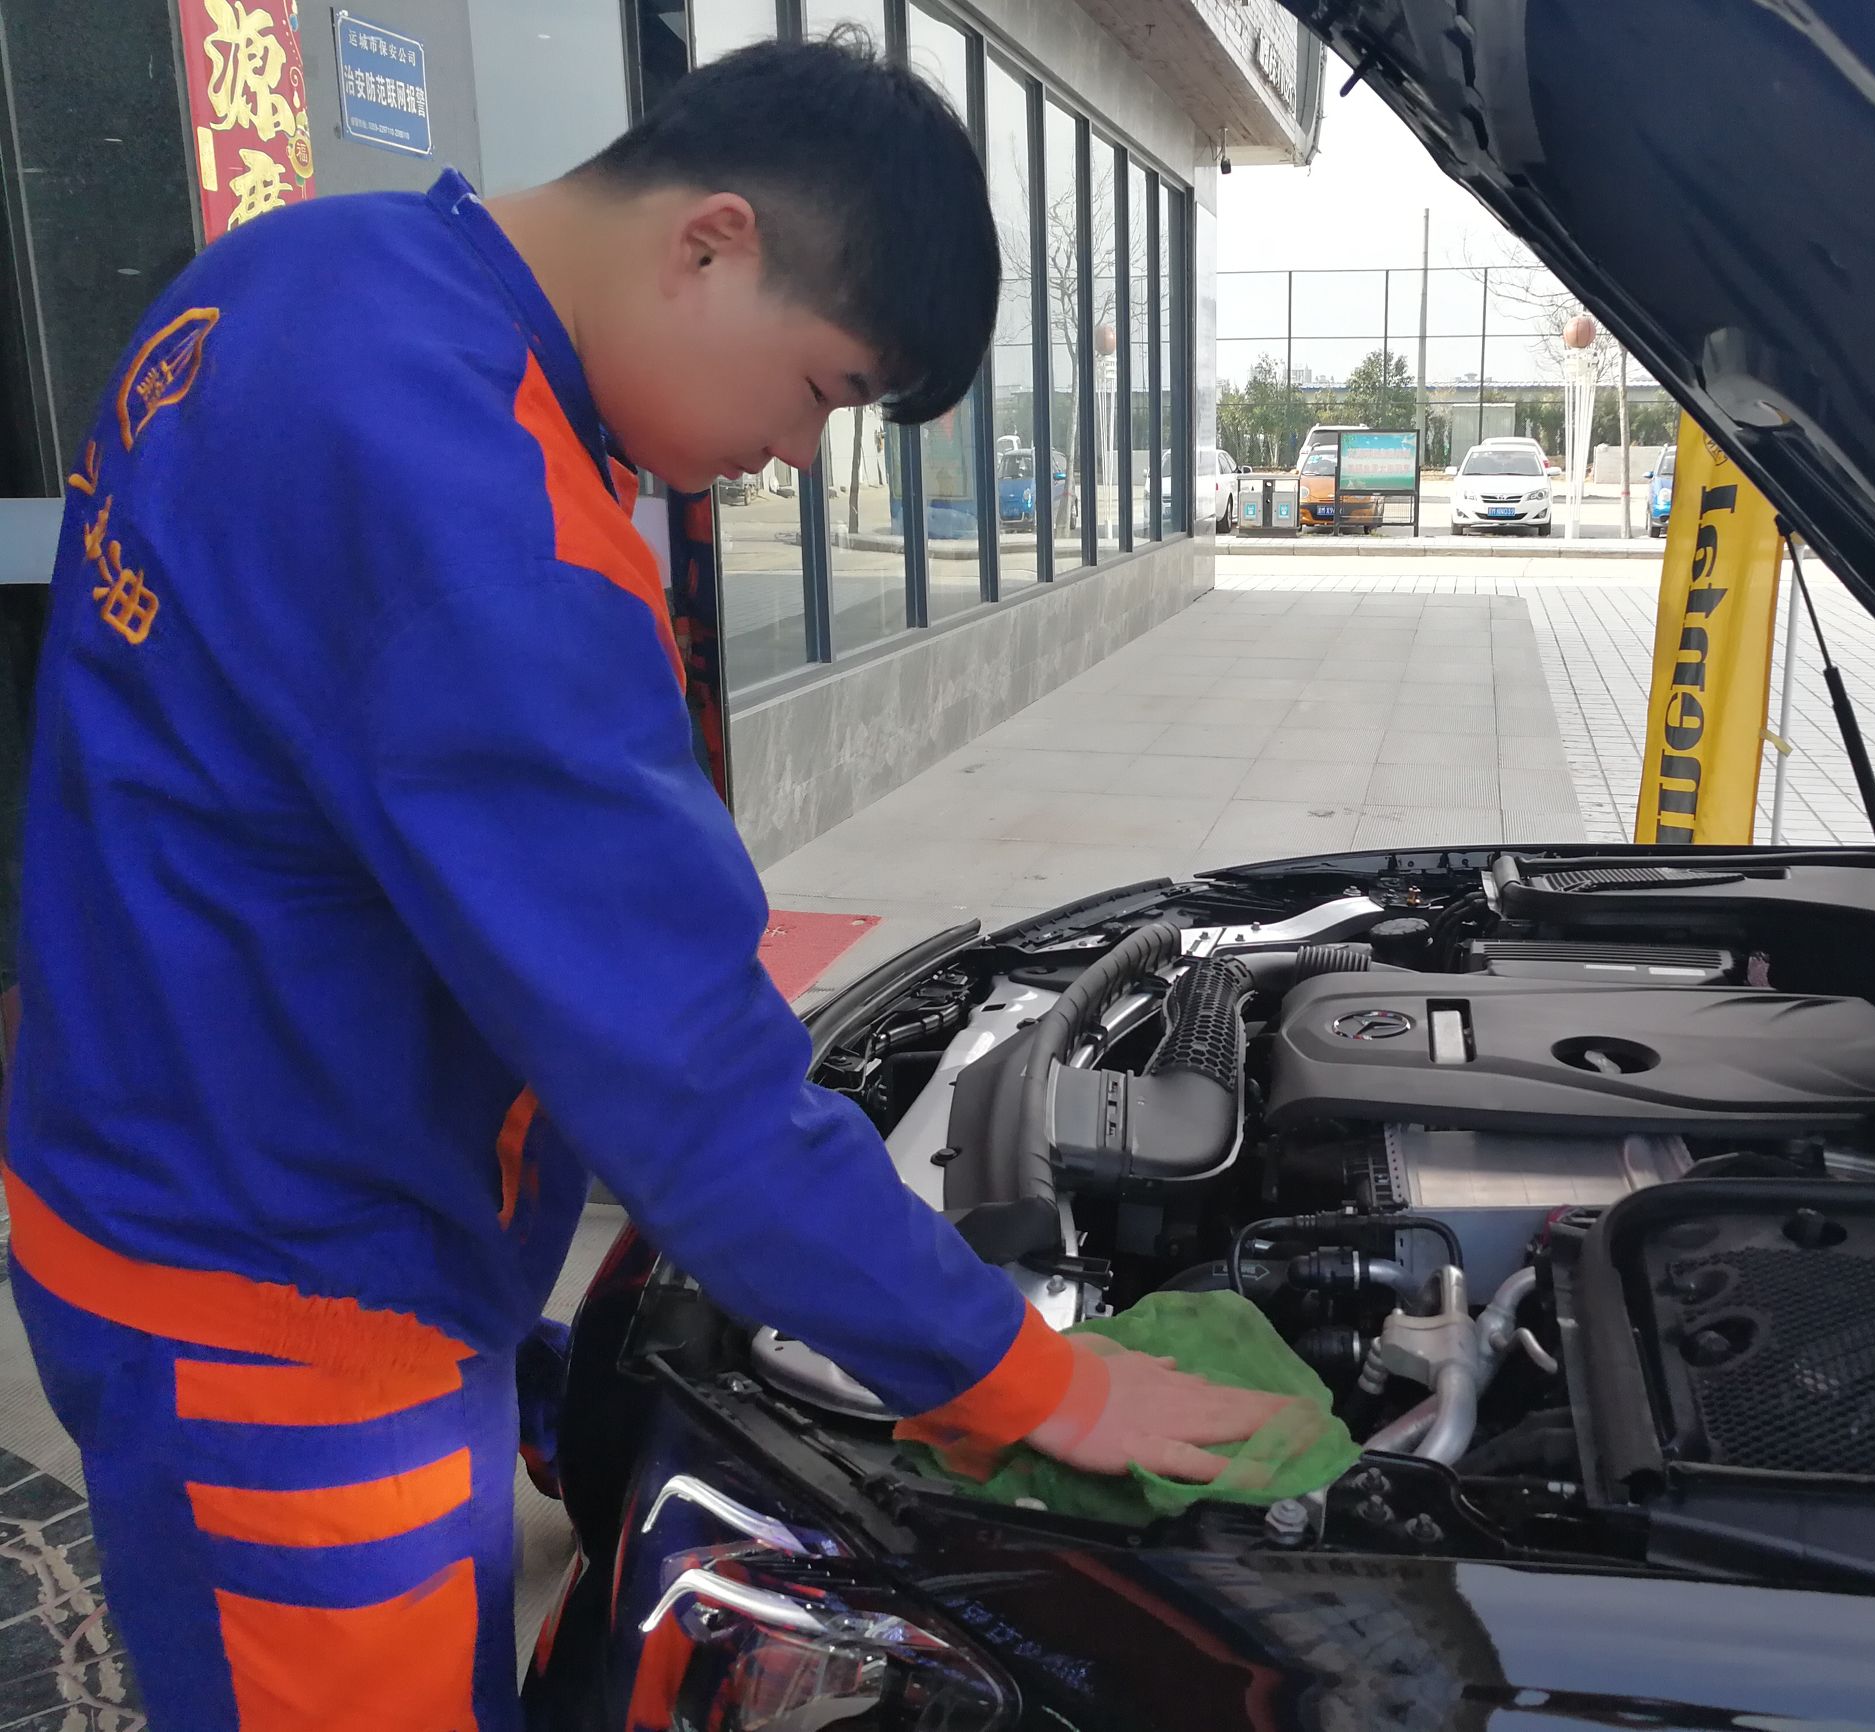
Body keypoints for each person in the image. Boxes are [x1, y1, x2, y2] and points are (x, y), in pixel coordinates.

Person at [5, 34, 1282, 1732]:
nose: (805, 462)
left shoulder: (300, 270)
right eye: (828, 390)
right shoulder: (485, 525)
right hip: (282, 1318)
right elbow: (689, 1087)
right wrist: (1022, 1379)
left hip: (165, 1144)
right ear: (711, 243)